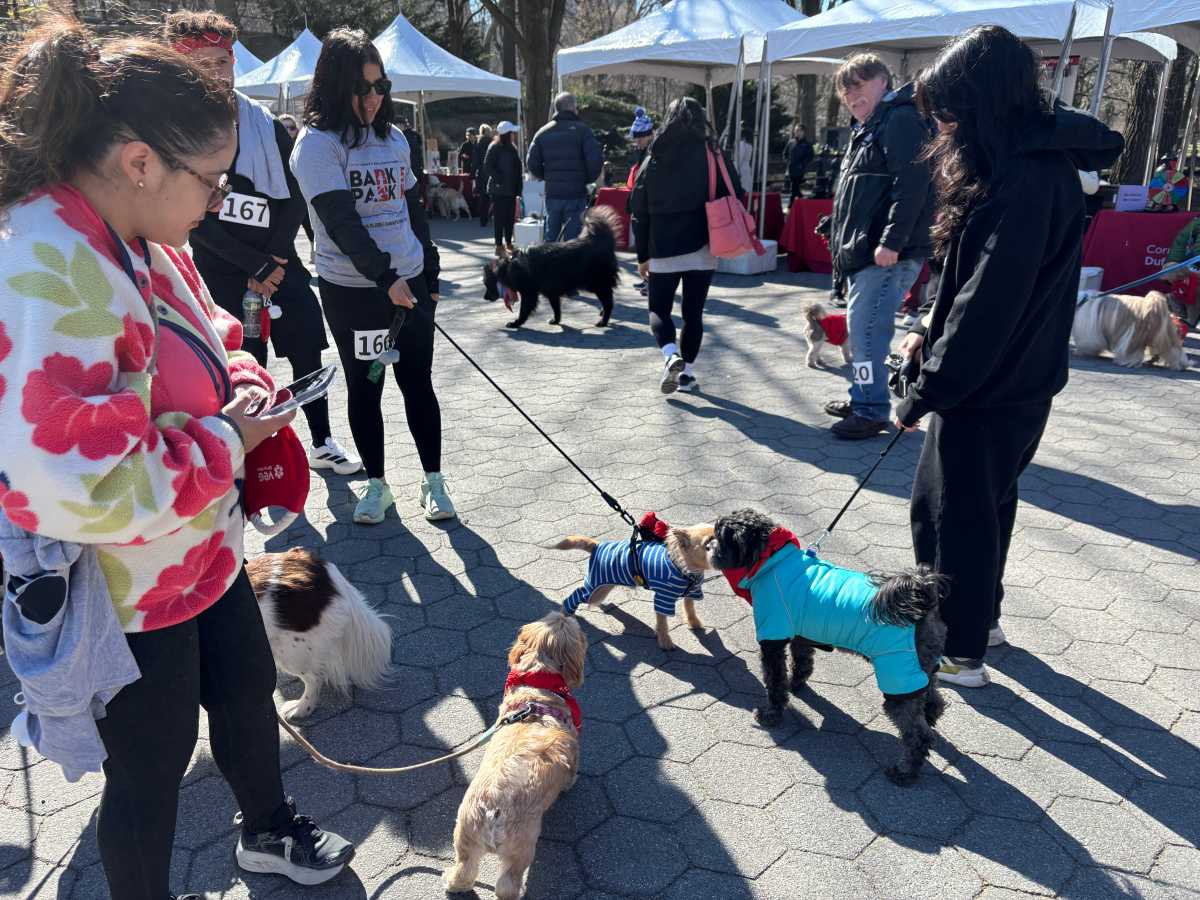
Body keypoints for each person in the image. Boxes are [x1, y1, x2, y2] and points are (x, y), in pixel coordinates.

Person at [0, 18, 358, 897]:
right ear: (138, 162)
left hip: (198, 552)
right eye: (211, 178)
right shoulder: (46, 261)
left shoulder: (138, 230)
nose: (219, 197)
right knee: (149, 779)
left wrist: (241, 377)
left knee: (244, 694)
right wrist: (228, 440)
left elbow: (213, 329)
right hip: (127, 589)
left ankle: (267, 829)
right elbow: (74, 485)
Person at [897, 25, 1123, 687]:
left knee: (951, 513)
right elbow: (964, 278)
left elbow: (987, 305)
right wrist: (925, 329)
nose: (942, 126)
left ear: (982, 104)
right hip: (1010, 378)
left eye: (948, 112)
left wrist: (924, 390)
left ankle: (961, 647)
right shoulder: (1018, 158)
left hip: (990, 385)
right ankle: (981, 617)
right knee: (985, 504)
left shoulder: (1026, 177)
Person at [170, 11, 361, 477]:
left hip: (279, 260)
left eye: (224, 61)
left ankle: (322, 441)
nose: (218, 72)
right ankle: (249, 453)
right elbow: (187, 219)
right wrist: (253, 264)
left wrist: (274, 258)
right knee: (242, 362)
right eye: (206, 63)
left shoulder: (262, 121)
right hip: (224, 269)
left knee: (305, 350)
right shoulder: (174, 131)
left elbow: (295, 193)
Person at [291, 28, 456, 525]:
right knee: (367, 388)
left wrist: (428, 267)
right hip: (355, 293)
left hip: (406, 283)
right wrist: (386, 278)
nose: (372, 98)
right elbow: (342, 224)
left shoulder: (395, 137)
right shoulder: (317, 145)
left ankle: (435, 482)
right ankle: (378, 486)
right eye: (361, 89)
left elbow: (412, 208)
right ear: (335, 88)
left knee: (417, 384)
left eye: (379, 86)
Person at [822, 53, 935, 440]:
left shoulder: (899, 120)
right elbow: (864, 193)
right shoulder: (869, 127)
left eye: (859, 83)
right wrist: (835, 226)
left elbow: (913, 186)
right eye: (845, 87)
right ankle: (863, 398)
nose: (851, 93)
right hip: (868, 251)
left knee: (868, 335)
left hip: (886, 254)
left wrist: (892, 241)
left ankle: (871, 410)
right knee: (863, 333)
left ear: (883, 82)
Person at [630, 97, 743, 395]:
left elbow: (638, 208)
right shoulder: (713, 152)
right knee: (694, 314)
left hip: (662, 246)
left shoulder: (655, 153)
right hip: (704, 244)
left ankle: (670, 355)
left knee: (659, 310)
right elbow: (736, 191)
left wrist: (642, 255)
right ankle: (687, 374)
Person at [527, 92, 602, 242]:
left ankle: (548, 265)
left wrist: (548, 176)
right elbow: (595, 161)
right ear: (573, 108)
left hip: (553, 193)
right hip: (575, 194)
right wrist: (585, 179)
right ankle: (570, 265)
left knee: (551, 238)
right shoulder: (583, 131)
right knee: (573, 240)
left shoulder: (542, 132)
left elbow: (532, 163)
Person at [484, 120, 523, 258]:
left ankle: (508, 243)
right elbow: (488, 167)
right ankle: (499, 245)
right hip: (499, 190)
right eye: (512, 132)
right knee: (500, 219)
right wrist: (499, 179)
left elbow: (517, 169)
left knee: (509, 218)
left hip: (510, 190)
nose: (514, 135)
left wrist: (518, 188)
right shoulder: (494, 147)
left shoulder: (512, 148)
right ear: (507, 134)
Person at [1160, 217, 1200, 328]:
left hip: (1176, 267)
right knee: (1195, 287)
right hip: (1180, 267)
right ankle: (1189, 321)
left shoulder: (1196, 221)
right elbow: (1198, 254)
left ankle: (1175, 307)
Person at [784, 124, 814, 204]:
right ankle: (803, 200)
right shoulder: (791, 142)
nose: (796, 132)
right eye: (796, 130)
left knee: (794, 187)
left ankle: (791, 204)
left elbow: (810, 156)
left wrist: (802, 164)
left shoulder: (807, 144)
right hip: (791, 169)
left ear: (803, 132)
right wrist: (788, 161)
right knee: (795, 188)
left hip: (800, 169)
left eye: (798, 130)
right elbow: (785, 153)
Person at [626, 106, 654, 188]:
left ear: (650, 135)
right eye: (636, 137)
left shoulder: (656, 153)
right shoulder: (639, 154)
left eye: (642, 136)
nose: (638, 140)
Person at [472, 123, 493, 226]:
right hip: (490, 172)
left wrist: (472, 173)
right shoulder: (492, 142)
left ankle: (483, 219)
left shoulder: (477, 142)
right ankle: (491, 216)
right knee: (492, 196)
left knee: (483, 197)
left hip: (481, 173)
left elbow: (475, 160)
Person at [736, 128, 755, 194]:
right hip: (747, 166)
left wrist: (736, 166)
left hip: (741, 167)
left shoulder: (742, 144)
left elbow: (740, 157)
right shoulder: (750, 145)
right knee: (747, 186)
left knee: (742, 186)